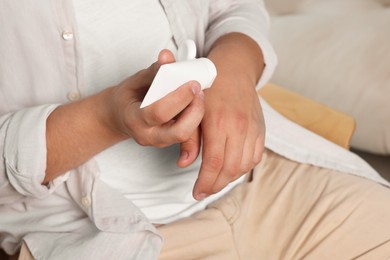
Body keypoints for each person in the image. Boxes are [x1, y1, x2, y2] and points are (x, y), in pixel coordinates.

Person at [1, 1, 390, 259]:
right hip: (95, 235)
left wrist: (234, 69)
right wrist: (105, 119)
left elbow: (235, 7)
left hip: (269, 179)